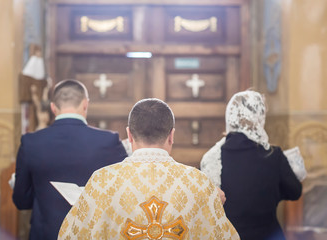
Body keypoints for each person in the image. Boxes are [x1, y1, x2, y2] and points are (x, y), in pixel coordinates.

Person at [58, 98, 239, 240]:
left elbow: (70, 236)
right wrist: (209, 203)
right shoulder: (199, 183)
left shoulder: (101, 181)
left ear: (129, 135)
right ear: (171, 135)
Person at [12, 79, 128, 240]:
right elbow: (125, 194)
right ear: (85, 104)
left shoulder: (31, 143)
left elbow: (21, 201)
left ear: (53, 107)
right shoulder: (109, 141)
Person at [200, 90, 302, 240]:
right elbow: (295, 191)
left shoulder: (211, 158)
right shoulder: (274, 154)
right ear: (259, 117)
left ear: (230, 116)